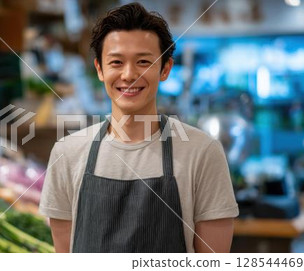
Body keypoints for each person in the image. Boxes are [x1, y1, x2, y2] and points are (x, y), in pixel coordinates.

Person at [39, 2, 239, 253]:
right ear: (99, 69)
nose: (129, 74)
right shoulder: (67, 154)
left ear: (165, 68)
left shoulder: (203, 153)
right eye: (116, 62)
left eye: (144, 61)